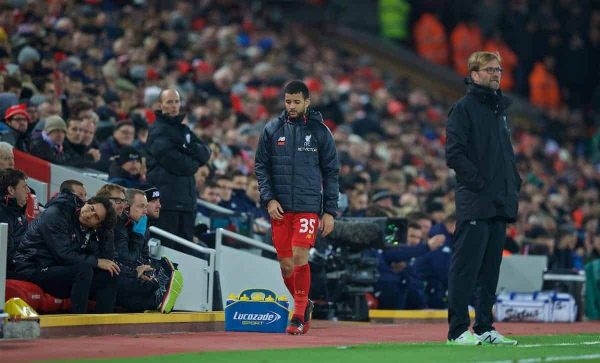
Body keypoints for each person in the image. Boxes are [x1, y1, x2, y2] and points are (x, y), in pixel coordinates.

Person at [445, 51, 521, 345]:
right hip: (476, 200)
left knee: (490, 270)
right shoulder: (463, 108)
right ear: (474, 74)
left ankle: (485, 326)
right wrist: (480, 184)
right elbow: (454, 154)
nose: (496, 74)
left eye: (499, 69)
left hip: (499, 201)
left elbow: (504, 155)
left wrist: (513, 183)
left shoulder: (498, 110)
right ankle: (457, 330)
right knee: (466, 267)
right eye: (489, 69)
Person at [255, 80, 340, 335]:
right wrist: (269, 199)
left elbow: (331, 173)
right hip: (280, 208)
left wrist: (329, 212)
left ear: (307, 102)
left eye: (296, 102)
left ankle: (299, 315)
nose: (291, 106)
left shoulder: (320, 131)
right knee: (286, 264)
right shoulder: (272, 128)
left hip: (307, 207)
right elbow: (261, 166)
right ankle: (306, 304)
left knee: (300, 255)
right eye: (287, 101)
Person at [13, 193, 119, 313]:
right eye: (91, 208)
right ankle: (78, 324)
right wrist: (96, 261)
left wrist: (107, 233)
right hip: (34, 267)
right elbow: (63, 254)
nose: (89, 215)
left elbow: (106, 259)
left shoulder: (89, 229)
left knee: (109, 274)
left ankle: (102, 326)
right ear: (87, 203)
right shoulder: (57, 213)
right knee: (84, 269)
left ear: (98, 225)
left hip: (58, 269)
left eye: (96, 217)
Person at [146, 89, 211, 241]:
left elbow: (206, 152)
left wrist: (187, 148)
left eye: (176, 101)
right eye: (169, 102)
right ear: (160, 104)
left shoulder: (184, 129)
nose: (174, 105)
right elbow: (175, 161)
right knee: (169, 249)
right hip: (167, 203)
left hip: (187, 203)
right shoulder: (157, 130)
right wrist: (195, 164)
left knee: (185, 251)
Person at [114, 189, 183, 313]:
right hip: (120, 273)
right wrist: (138, 236)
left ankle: (158, 297)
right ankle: (156, 299)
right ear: (127, 207)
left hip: (129, 269)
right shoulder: (120, 226)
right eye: (142, 206)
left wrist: (146, 269)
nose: (145, 211)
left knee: (164, 268)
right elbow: (128, 259)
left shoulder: (141, 225)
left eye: (146, 206)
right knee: (149, 283)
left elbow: (143, 256)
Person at [0, 168, 29, 274]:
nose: (28, 191)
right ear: (11, 190)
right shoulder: (3, 214)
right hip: (12, 270)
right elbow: (8, 255)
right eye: (24, 187)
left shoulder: (17, 211)